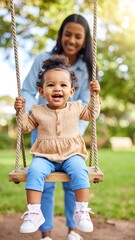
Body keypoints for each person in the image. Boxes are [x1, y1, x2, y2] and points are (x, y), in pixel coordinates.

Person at [21, 13, 97, 240]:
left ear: (84, 40)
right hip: (42, 128)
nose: (72, 40)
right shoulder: (43, 59)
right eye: (68, 34)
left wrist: (71, 129)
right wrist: (28, 112)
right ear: (61, 34)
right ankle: (46, 234)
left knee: (73, 178)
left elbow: (85, 104)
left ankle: (74, 230)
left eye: (78, 36)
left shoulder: (87, 67)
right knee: (45, 182)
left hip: (73, 130)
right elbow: (27, 90)